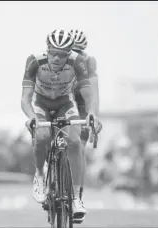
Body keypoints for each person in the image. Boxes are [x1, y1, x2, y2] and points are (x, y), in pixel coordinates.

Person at [21, 28, 99, 222]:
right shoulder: (34, 61)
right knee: (43, 136)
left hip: (65, 103)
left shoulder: (77, 61)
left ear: (69, 54)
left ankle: (75, 198)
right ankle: (39, 176)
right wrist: (31, 116)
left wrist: (92, 115)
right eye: (53, 53)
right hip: (41, 104)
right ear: (47, 50)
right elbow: (25, 99)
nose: (56, 58)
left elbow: (88, 95)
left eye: (62, 55)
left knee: (74, 142)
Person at [70, 28, 101, 205]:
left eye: (78, 52)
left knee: (79, 151)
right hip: (60, 101)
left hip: (81, 102)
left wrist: (93, 116)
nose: (75, 56)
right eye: (71, 52)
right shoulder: (56, 62)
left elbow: (93, 95)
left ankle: (76, 197)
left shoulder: (89, 62)